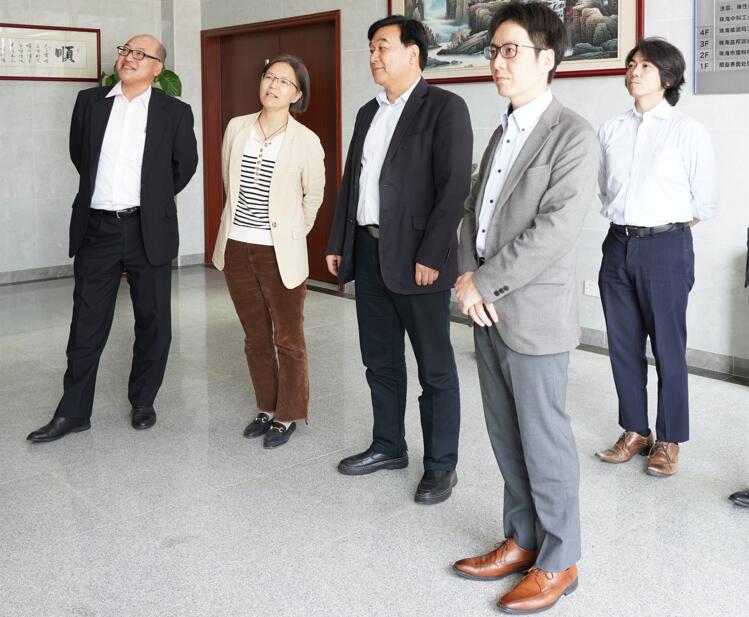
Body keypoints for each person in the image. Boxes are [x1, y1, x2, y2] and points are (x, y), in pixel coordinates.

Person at [450, 3, 597, 612]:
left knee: (544, 439)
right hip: (486, 307)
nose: (497, 61)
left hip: (532, 314)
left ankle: (560, 561)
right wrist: (467, 275)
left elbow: (555, 231)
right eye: (493, 50)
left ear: (547, 58)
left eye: (511, 50)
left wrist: (483, 283)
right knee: (506, 434)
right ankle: (523, 538)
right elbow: (472, 212)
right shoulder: (502, 130)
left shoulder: (573, 135)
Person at [325, 16, 472, 504]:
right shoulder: (368, 112)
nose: (374, 56)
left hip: (417, 260)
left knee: (435, 367)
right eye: (371, 47)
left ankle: (441, 466)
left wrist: (432, 253)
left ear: (414, 53)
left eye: (382, 46)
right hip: (369, 251)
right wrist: (339, 242)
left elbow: (453, 188)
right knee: (380, 359)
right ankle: (388, 445)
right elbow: (353, 182)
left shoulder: (445, 108)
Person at [27, 35, 198, 443]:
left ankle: (143, 400)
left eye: (141, 54)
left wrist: (150, 201)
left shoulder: (174, 111)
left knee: (153, 322)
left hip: (147, 229)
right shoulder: (90, 103)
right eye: (126, 50)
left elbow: (184, 166)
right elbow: (80, 156)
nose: (129, 58)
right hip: (97, 229)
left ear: (157, 68)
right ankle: (73, 412)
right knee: (86, 324)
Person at [595, 38, 718, 477]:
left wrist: (661, 229)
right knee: (622, 345)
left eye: (644, 65)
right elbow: (605, 190)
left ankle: (669, 439)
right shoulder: (611, 129)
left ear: (667, 77)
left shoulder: (687, 130)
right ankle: (635, 431)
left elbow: (704, 202)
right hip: (617, 245)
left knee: (668, 346)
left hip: (666, 246)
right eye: (631, 63)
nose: (633, 70)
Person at [212, 55, 325, 449]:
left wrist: (291, 235)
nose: (273, 86)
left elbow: (314, 196)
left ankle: (289, 413)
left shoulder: (306, 140)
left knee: (288, 338)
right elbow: (228, 183)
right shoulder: (237, 128)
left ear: (297, 94)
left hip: (280, 252)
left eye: (284, 82)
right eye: (269, 77)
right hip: (237, 246)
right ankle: (266, 406)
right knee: (254, 336)